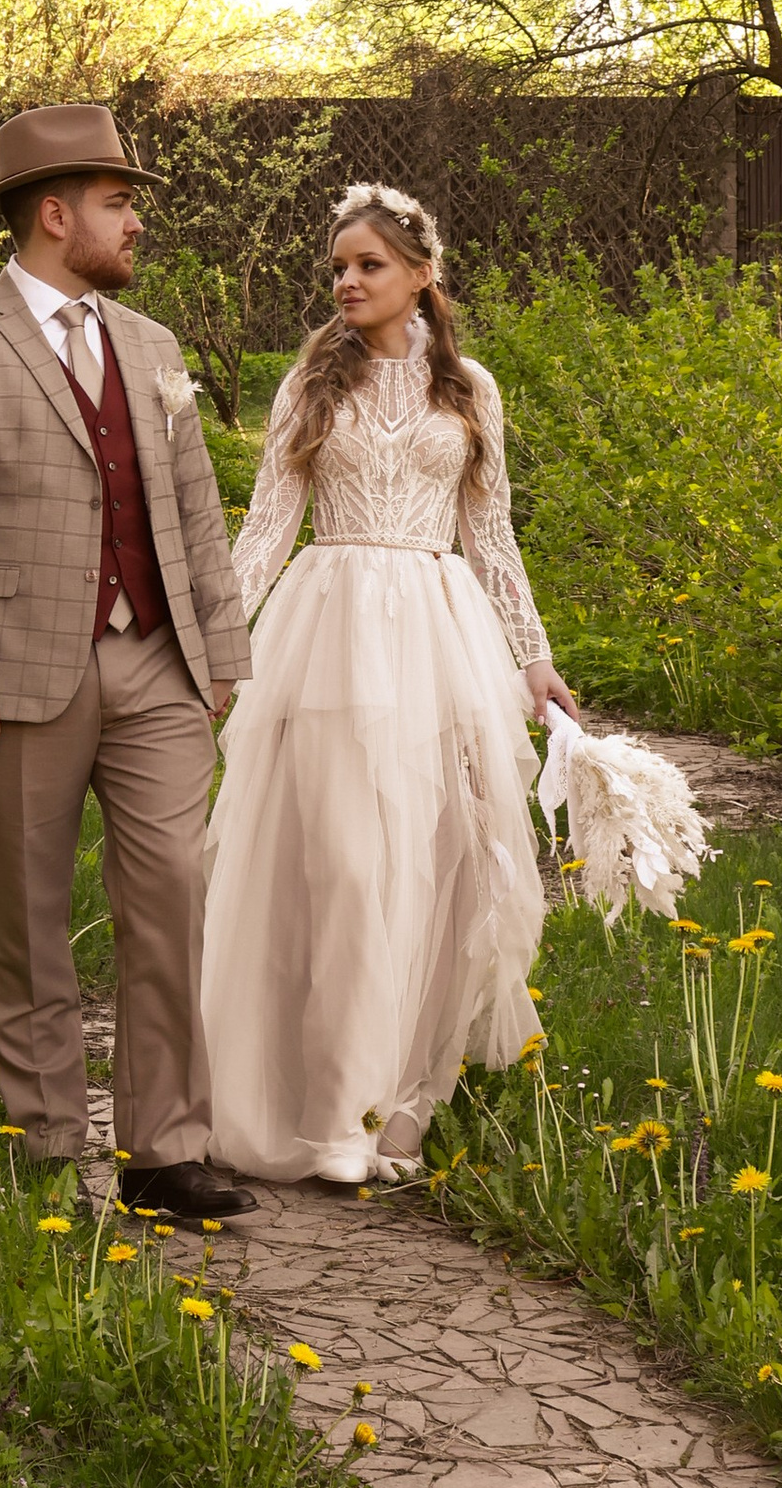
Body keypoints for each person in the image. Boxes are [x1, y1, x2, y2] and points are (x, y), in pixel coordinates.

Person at [0, 103, 256, 1222]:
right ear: (56, 215)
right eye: (118, 202)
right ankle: (47, 1147)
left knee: (171, 900)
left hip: (158, 663)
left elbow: (194, 511)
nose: (135, 221)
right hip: (17, 672)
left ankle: (163, 1153)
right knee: (28, 917)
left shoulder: (151, 349)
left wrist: (223, 653)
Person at [202, 181, 577, 1187]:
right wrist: (218, 646)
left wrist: (530, 655)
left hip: (436, 637)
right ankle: (324, 1115)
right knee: (344, 868)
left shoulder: (470, 390)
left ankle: (396, 1111)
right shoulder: (308, 386)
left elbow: (490, 535)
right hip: (328, 629)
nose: (348, 282)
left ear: (421, 275)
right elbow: (266, 528)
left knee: (433, 869)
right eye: (337, 268)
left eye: (369, 265)